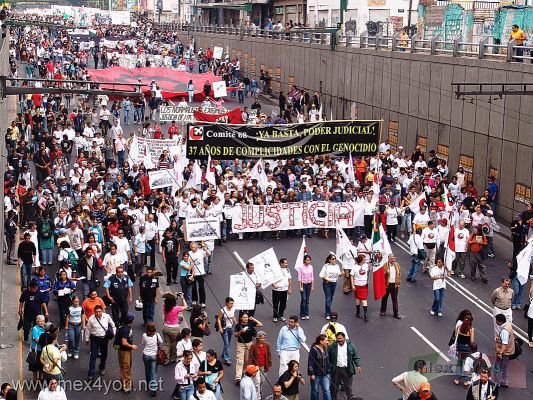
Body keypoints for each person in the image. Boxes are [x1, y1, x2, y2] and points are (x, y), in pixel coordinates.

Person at [328, 332, 362, 400]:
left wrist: (358, 365)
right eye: (338, 339)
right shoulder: (332, 346)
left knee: (348, 386)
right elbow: (327, 357)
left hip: (347, 369)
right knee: (334, 386)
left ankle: (350, 398)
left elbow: (355, 356)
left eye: (341, 338)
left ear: (344, 338)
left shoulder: (350, 346)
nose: (339, 340)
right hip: (336, 369)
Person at [86, 304, 116, 380]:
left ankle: (102, 367)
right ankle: (91, 373)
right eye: (96, 312)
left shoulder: (107, 316)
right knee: (93, 356)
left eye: (99, 311)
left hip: (104, 339)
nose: (98, 313)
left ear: (102, 311)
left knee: (104, 355)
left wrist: (114, 333)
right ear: (94, 312)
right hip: (94, 339)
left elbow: (113, 325)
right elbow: (88, 329)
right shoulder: (91, 319)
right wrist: (86, 339)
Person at [234, 313, 262, 384]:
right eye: (244, 317)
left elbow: (260, 324)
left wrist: (253, 319)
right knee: (240, 360)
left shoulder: (251, 323)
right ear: (241, 318)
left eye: (247, 317)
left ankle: (244, 373)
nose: (246, 318)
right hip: (241, 344)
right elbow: (236, 335)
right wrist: (241, 331)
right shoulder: (238, 325)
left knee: (247, 360)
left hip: (249, 344)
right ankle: (238, 377)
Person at [115, 312, 139, 393]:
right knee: (125, 367)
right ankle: (126, 386)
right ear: (131, 320)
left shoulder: (126, 326)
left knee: (127, 366)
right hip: (124, 351)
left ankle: (126, 381)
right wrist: (132, 346)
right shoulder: (125, 329)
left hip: (126, 350)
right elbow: (124, 342)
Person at [162, 292, 187, 363]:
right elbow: (185, 306)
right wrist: (182, 297)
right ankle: (172, 358)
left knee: (167, 344)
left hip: (166, 327)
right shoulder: (176, 308)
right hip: (174, 328)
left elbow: (166, 296)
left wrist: (172, 295)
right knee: (174, 343)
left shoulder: (164, 307)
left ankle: (165, 359)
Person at [248, 331, 272, 399]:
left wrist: (270, 365)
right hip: (256, 367)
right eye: (262, 338)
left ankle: (259, 389)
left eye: (264, 338)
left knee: (262, 380)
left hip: (264, 366)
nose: (263, 340)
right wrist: (251, 366)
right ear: (258, 338)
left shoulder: (267, 345)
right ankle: (257, 396)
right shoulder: (253, 346)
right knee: (257, 381)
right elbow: (250, 356)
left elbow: (269, 355)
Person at [319, 254, 343, 320]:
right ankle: (328, 313)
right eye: (333, 259)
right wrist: (326, 279)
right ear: (329, 260)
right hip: (327, 284)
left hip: (334, 283)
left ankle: (327, 309)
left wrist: (342, 274)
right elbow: (321, 275)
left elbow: (339, 274)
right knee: (328, 299)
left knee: (331, 298)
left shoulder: (337, 266)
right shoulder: (326, 266)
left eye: (335, 259)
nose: (334, 260)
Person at [494, 313, 515, 388]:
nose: (496, 322)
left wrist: (500, 353)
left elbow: (504, 343)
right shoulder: (508, 325)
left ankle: (497, 382)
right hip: (508, 351)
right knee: (505, 367)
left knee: (497, 367)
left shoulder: (504, 331)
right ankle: (504, 381)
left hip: (504, 353)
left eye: (496, 320)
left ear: (500, 321)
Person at [308, 334, 331, 400]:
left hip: (325, 374)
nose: (327, 342)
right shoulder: (313, 350)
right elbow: (310, 362)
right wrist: (311, 374)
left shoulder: (326, 348)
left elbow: (328, 361)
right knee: (315, 391)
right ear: (321, 341)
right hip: (316, 374)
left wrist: (329, 372)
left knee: (327, 390)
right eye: (326, 340)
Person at [142, 322, 163, 397]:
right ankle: (153, 389)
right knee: (153, 372)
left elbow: (143, 343)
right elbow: (161, 341)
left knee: (147, 370)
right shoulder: (157, 335)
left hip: (146, 355)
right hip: (154, 355)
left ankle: (148, 383)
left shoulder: (144, 335)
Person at [454, 314, 475, 386]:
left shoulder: (459, 327)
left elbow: (456, 336)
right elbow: (472, 341)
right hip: (467, 349)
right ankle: (466, 380)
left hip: (459, 347)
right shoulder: (471, 330)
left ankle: (457, 378)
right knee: (467, 364)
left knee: (459, 362)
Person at [380, 254, 402, 319]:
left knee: (395, 299)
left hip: (395, 285)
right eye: (391, 258)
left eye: (394, 258)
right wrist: (385, 272)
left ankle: (396, 313)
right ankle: (383, 311)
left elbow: (399, 274)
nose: (393, 259)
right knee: (384, 298)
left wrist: (398, 283)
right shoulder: (385, 265)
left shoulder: (397, 265)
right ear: (388, 259)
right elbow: (381, 275)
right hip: (387, 285)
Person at [217, 297, 237, 366]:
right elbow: (219, 319)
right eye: (230, 303)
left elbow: (233, 317)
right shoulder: (223, 310)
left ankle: (223, 353)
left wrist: (236, 324)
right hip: (224, 329)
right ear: (227, 303)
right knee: (227, 343)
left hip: (230, 328)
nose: (232, 305)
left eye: (232, 303)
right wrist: (220, 328)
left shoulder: (233, 309)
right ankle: (227, 358)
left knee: (228, 343)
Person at [350, 254, 370, 320]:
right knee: (358, 299)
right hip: (357, 285)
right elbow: (352, 276)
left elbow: (371, 267)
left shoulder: (366, 265)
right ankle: (358, 312)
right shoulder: (354, 267)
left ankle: (365, 314)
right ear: (361, 260)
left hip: (364, 285)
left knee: (364, 299)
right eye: (364, 259)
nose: (365, 260)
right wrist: (352, 285)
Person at [272, 258, 292, 322]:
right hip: (277, 290)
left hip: (284, 289)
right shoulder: (276, 270)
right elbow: (271, 278)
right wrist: (273, 284)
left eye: (287, 263)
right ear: (281, 263)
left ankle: (281, 315)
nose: (287, 264)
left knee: (283, 304)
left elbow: (290, 280)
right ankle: (275, 316)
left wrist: (289, 289)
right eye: (285, 263)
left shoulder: (287, 270)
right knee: (276, 303)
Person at [297, 255, 314, 320]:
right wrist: (300, 286)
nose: (308, 261)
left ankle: (306, 313)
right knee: (303, 299)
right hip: (303, 284)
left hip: (309, 284)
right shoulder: (301, 267)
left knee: (307, 300)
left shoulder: (311, 267)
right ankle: (302, 314)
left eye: (309, 260)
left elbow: (312, 277)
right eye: (307, 260)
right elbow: (299, 278)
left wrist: (312, 286)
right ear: (304, 260)